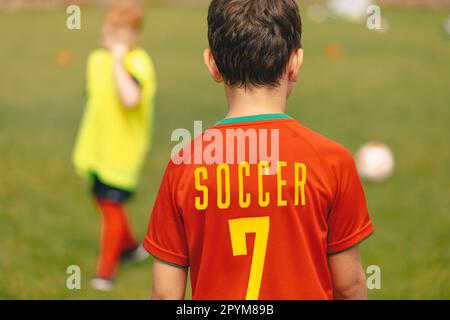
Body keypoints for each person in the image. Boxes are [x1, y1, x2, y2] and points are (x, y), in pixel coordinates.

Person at [145, 0, 374, 300]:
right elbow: (349, 286)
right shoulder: (333, 161)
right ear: (295, 63)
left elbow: (165, 295)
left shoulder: (184, 165)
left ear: (212, 64)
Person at [72, 0, 157, 291]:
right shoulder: (96, 60)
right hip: (96, 150)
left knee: (111, 207)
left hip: (122, 154)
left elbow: (129, 98)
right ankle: (132, 247)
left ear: (134, 37)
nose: (108, 37)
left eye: (117, 34)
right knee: (105, 201)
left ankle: (105, 272)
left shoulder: (138, 64)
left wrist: (119, 60)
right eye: (108, 30)